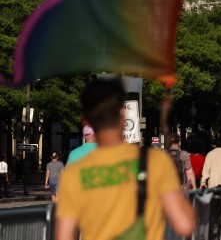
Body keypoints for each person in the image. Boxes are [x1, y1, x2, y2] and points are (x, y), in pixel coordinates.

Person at [54, 76, 194, 240]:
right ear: (123, 115)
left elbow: (64, 236)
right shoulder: (155, 161)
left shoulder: (74, 173)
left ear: (86, 120)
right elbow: (185, 223)